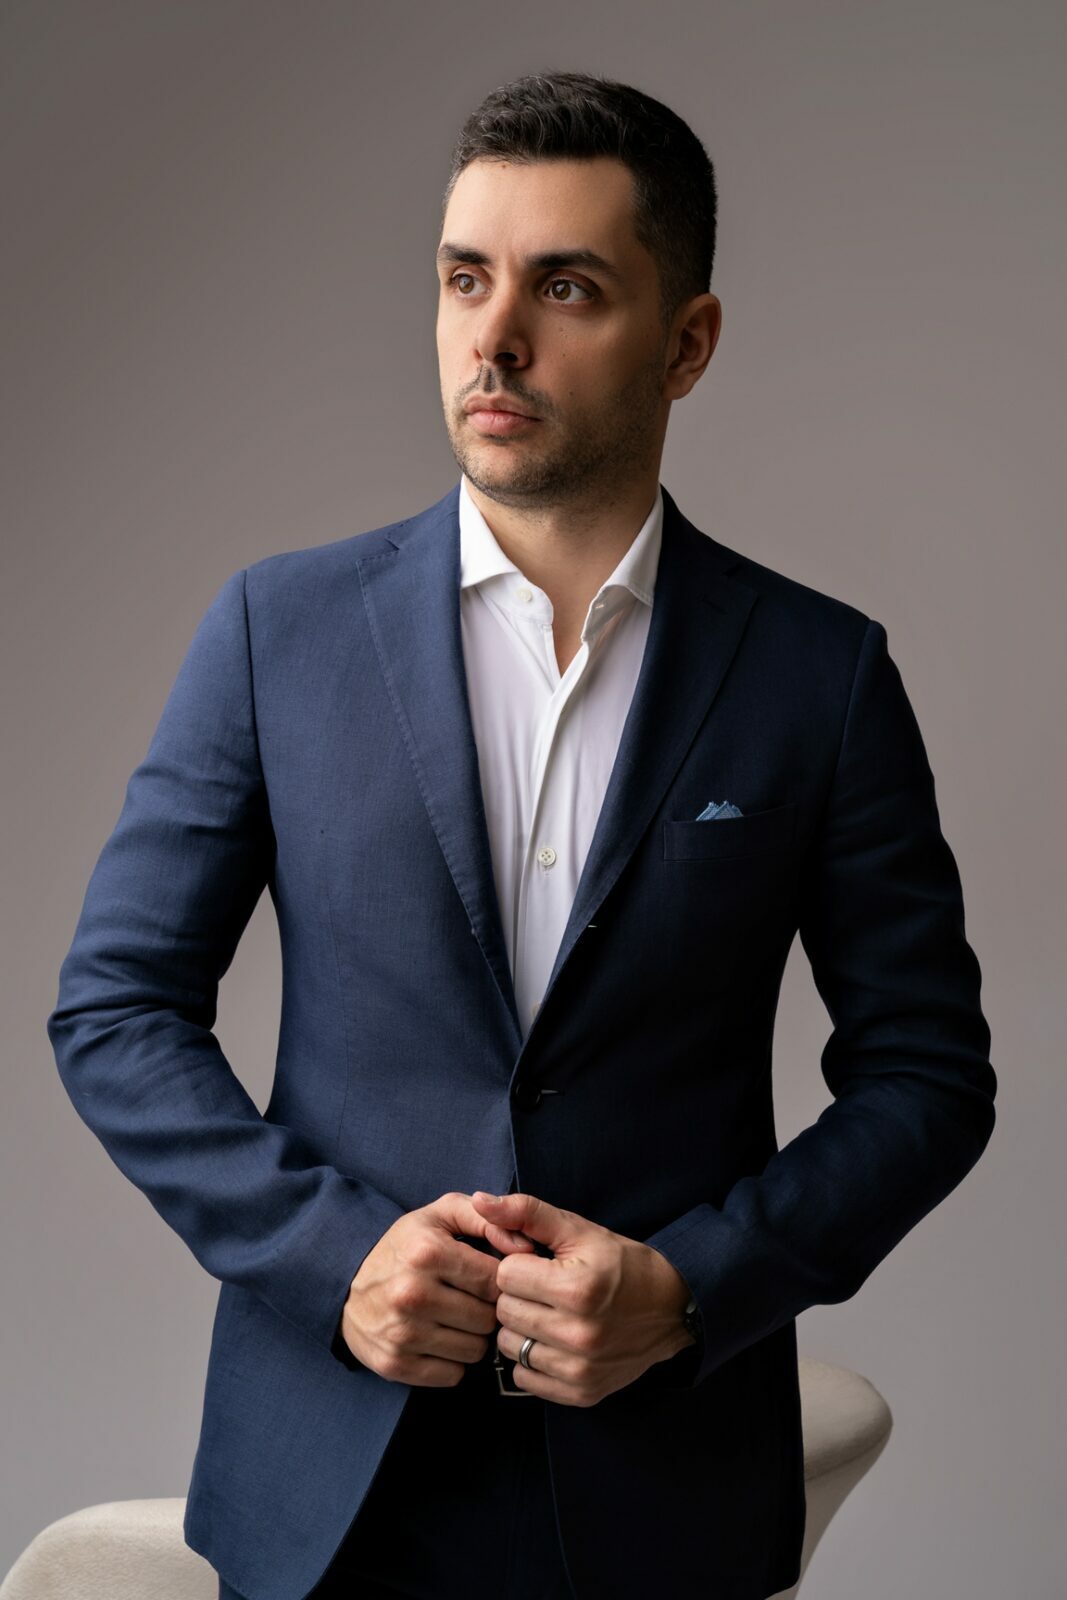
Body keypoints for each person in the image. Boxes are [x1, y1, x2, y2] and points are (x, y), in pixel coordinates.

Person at [47, 69, 996, 1600]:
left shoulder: (818, 677)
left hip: (663, 1489)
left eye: (565, 288)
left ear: (687, 343)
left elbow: (929, 1076)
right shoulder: (279, 633)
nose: (494, 336)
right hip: (328, 1488)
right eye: (464, 278)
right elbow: (114, 1009)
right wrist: (333, 1256)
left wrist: (692, 1286)